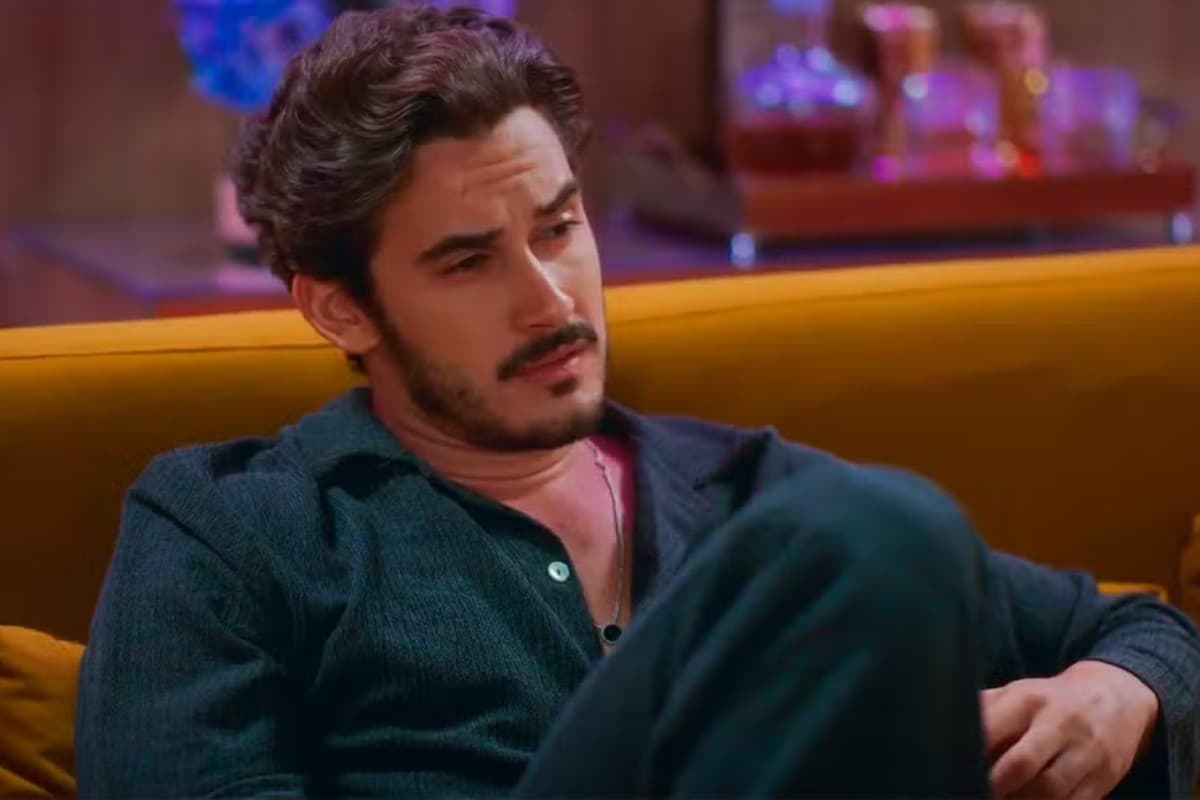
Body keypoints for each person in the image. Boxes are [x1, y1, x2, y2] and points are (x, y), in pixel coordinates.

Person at [75, 4, 1200, 798]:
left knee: (882, 536)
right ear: (342, 309)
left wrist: (1120, 692)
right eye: (468, 262)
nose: (550, 297)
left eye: (560, 227)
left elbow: (1143, 629)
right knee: (876, 526)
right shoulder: (233, 526)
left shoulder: (759, 502)